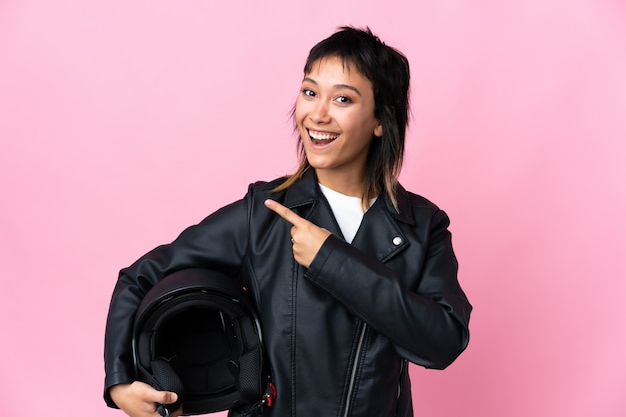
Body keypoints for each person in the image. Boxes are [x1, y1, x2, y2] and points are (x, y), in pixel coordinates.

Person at [104, 26, 472, 417]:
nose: (317, 113)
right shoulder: (263, 213)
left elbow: (443, 342)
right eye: (310, 92)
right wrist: (121, 382)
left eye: (343, 99)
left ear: (382, 119)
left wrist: (330, 259)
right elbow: (138, 277)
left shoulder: (421, 225)